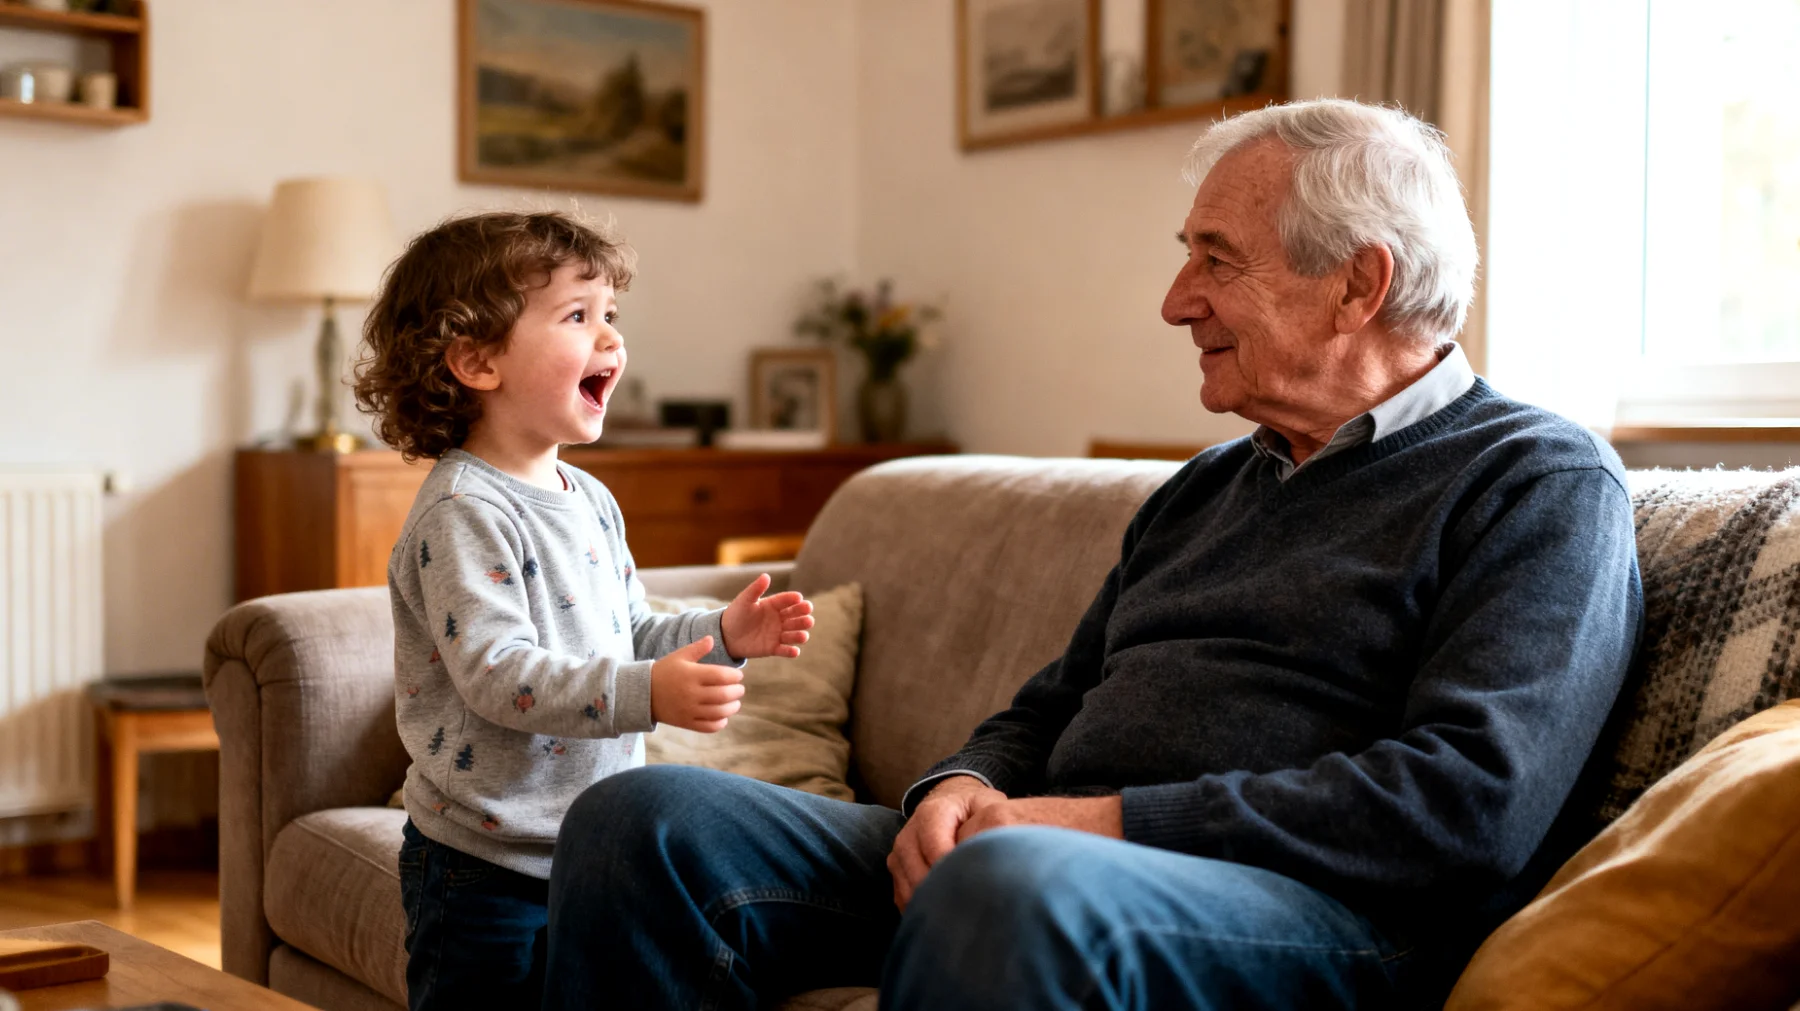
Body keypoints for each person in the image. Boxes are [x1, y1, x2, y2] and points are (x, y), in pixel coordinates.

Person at [539, 100, 1643, 1010]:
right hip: (1043, 871)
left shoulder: (1534, 480)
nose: (1177, 302)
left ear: (1359, 283)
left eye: (1217, 260)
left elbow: (1470, 807)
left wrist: (1095, 825)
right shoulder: (1212, 485)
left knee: (1013, 884)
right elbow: (1051, 706)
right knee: (646, 823)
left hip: (1316, 921)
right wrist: (960, 786)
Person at [350, 210, 816, 1011]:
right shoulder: (464, 511)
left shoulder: (591, 499)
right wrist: (646, 694)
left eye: (611, 316)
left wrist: (722, 637)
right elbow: (500, 677)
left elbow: (632, 631)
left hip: (591, 855)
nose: (611, 340)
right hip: (481, 867)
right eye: (577, 316)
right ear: (476, 360)